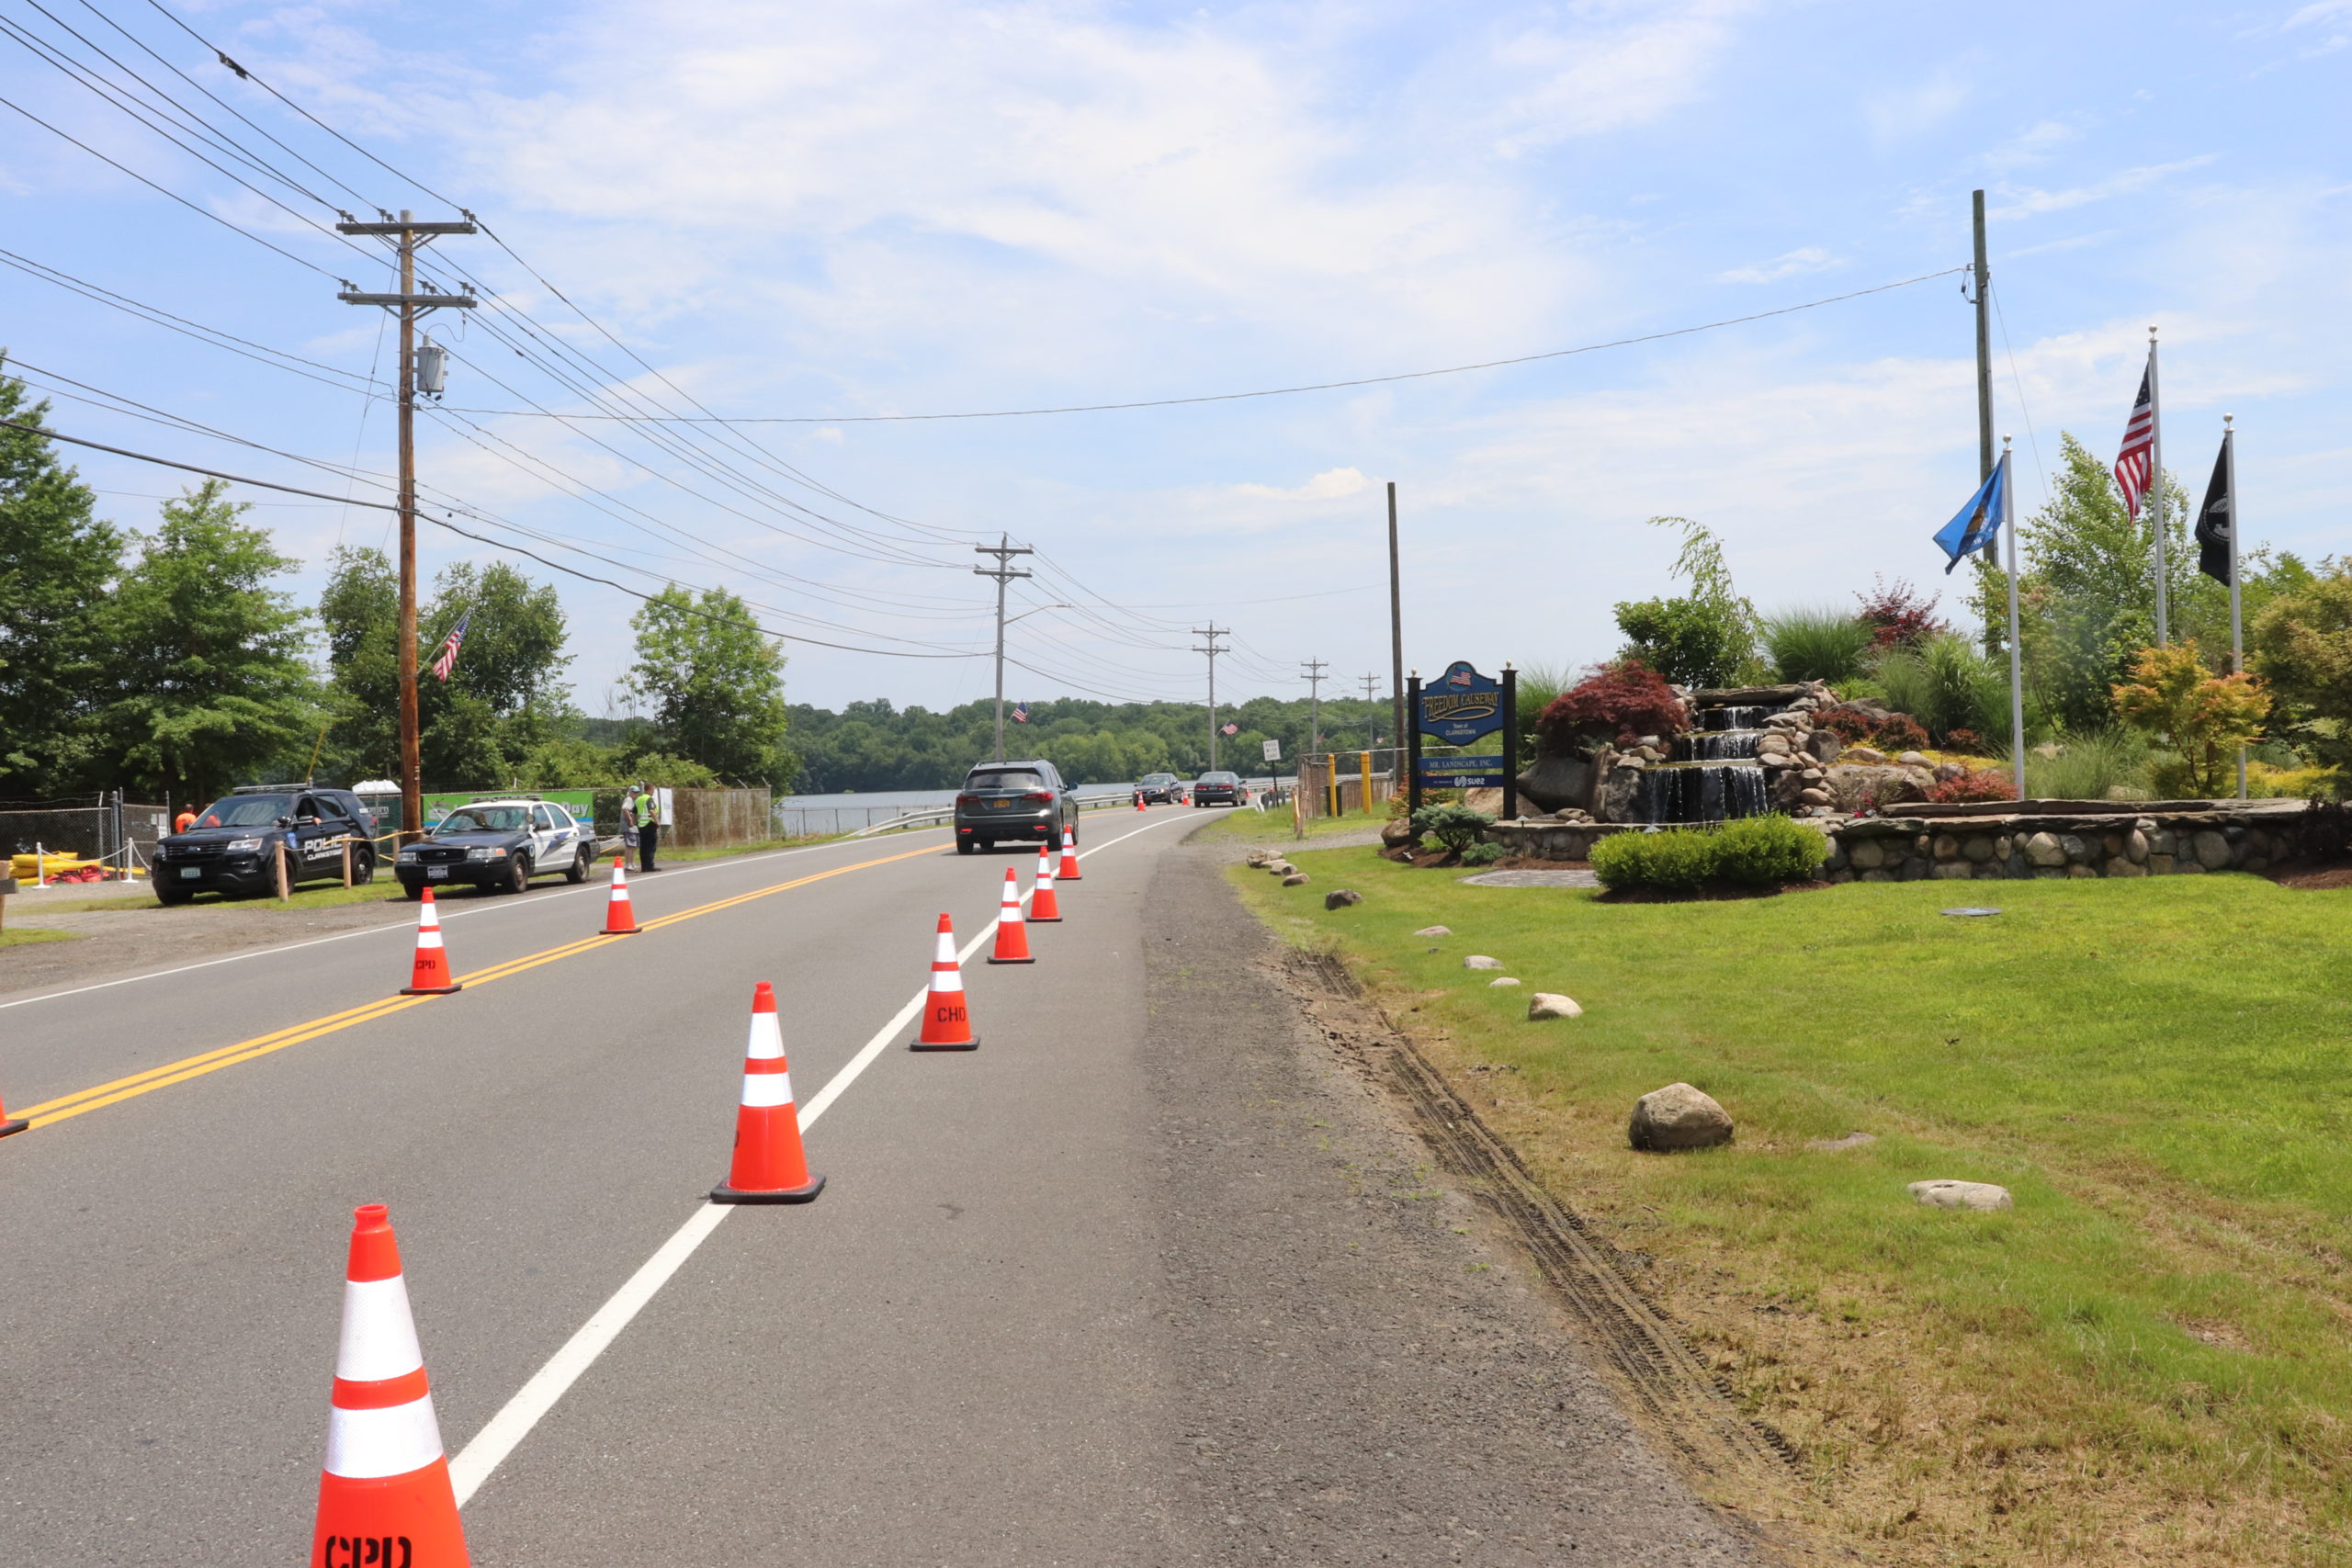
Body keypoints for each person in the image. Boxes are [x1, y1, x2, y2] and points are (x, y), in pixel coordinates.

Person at [634, 781, 660, 873]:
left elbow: (634, 812)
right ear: (649, 789)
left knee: (643, 847)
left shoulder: (638, 799)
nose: (653, 792)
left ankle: (644, 867)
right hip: (649, 824)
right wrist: (657, 822)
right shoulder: (649, 798)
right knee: (651, 846)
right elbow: (651, 811)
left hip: (641, 825)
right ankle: (650, 866)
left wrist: (635, 822)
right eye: (653, 790)